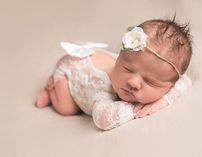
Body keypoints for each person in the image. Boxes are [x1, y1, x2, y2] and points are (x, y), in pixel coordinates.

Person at [35, 19, 193, 130]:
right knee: (66, 108)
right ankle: (51, 87)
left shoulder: (164, 78)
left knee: (139, 67)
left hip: (95, 59)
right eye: (127, 69)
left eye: (149, 81)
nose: (133, 82)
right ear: (119, 59)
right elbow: (102, 119)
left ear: (168, 86)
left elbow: (185, 80)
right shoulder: (104, 89)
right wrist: (137, 108)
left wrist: (162, 101)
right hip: (69, 69)